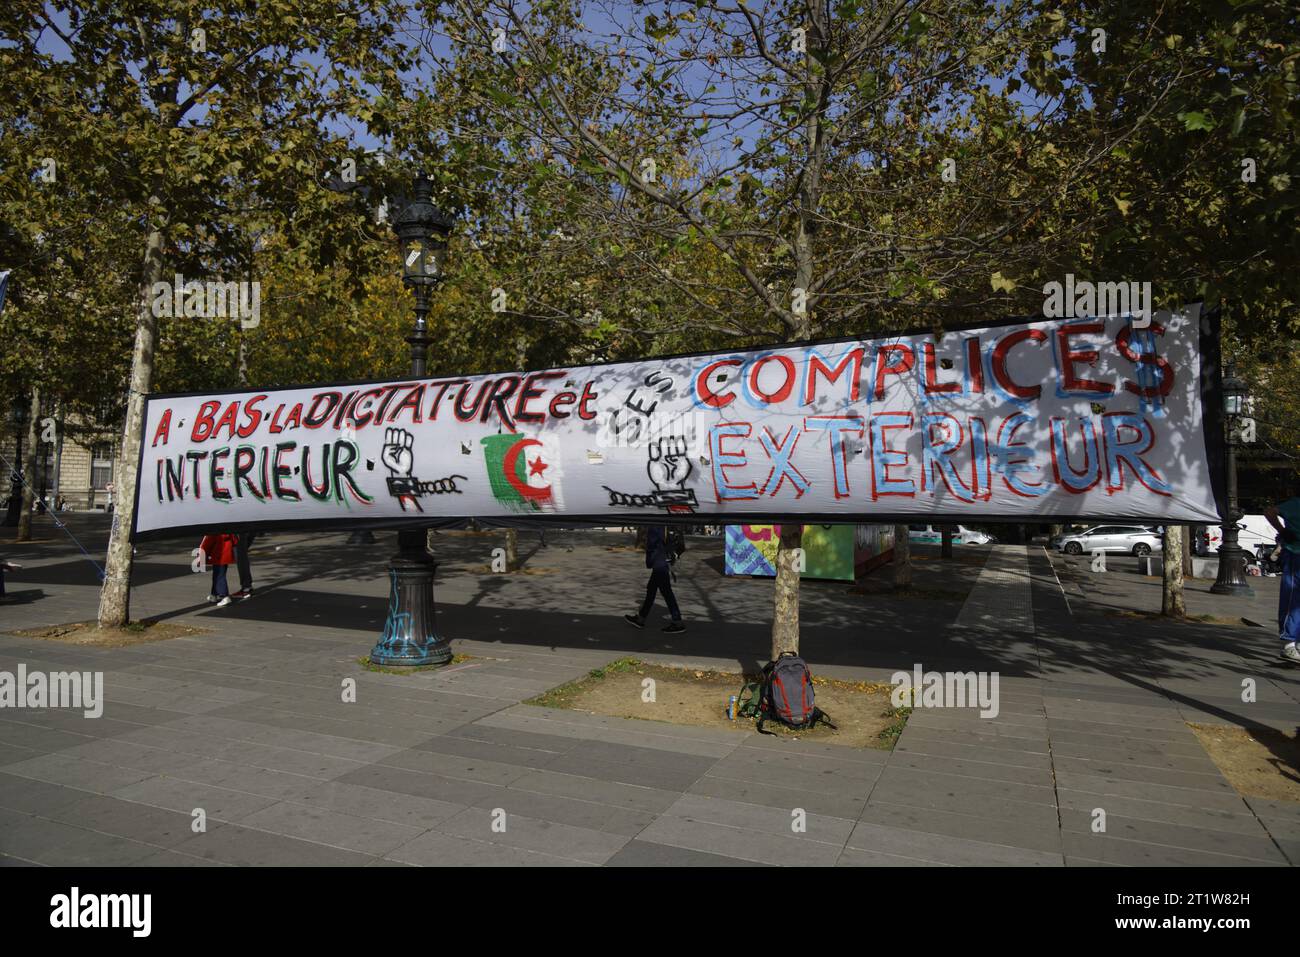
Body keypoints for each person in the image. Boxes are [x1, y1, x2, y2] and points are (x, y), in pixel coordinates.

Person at [624, 524, 685, 633]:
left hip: (659, 561)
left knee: (666, 592)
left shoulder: (655, 523)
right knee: (651, 590)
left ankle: (677, 622)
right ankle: (641, 619)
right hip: (663, 559)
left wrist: (650, 560)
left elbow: (653, 543)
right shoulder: (664, 522)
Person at [1265, 495, 1300, 664]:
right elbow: (1270, 512)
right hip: (1295, 555)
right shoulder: (1295, 503)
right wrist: (1283, 531)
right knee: (1292, 600)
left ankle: (1296, 644)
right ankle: (1289, 645)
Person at [200, 532, 238, 608]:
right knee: (218, 575)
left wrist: (203, 556)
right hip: (226, 555)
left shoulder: (214, 530)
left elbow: (207, 543)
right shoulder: (229, 530)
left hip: (217, 555)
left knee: (219, 576)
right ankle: (214, 594)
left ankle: (224, 596)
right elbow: (235, 541)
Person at [232, 531, 257, 600]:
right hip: (249, 528)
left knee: (241, 558)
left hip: (240, 530)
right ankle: (247, 586)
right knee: (243, 556)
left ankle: (246, 588)